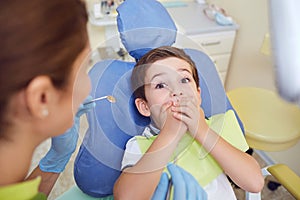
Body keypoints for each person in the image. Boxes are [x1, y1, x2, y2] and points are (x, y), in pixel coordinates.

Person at [0, 1, 205, 199]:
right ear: (42, 98)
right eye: (83, 68)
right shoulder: (138, 147)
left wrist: (54, 160)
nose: (89, 85)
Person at [114, 46, 265, 199]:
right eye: (160, 85)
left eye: (184, 80)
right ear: (145, 107)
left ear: (198, 96)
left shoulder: (216, 127)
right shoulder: (139, 145)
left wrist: (202, 131)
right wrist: (170, 134)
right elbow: (127, 197)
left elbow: (254, 183)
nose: (176, 91)